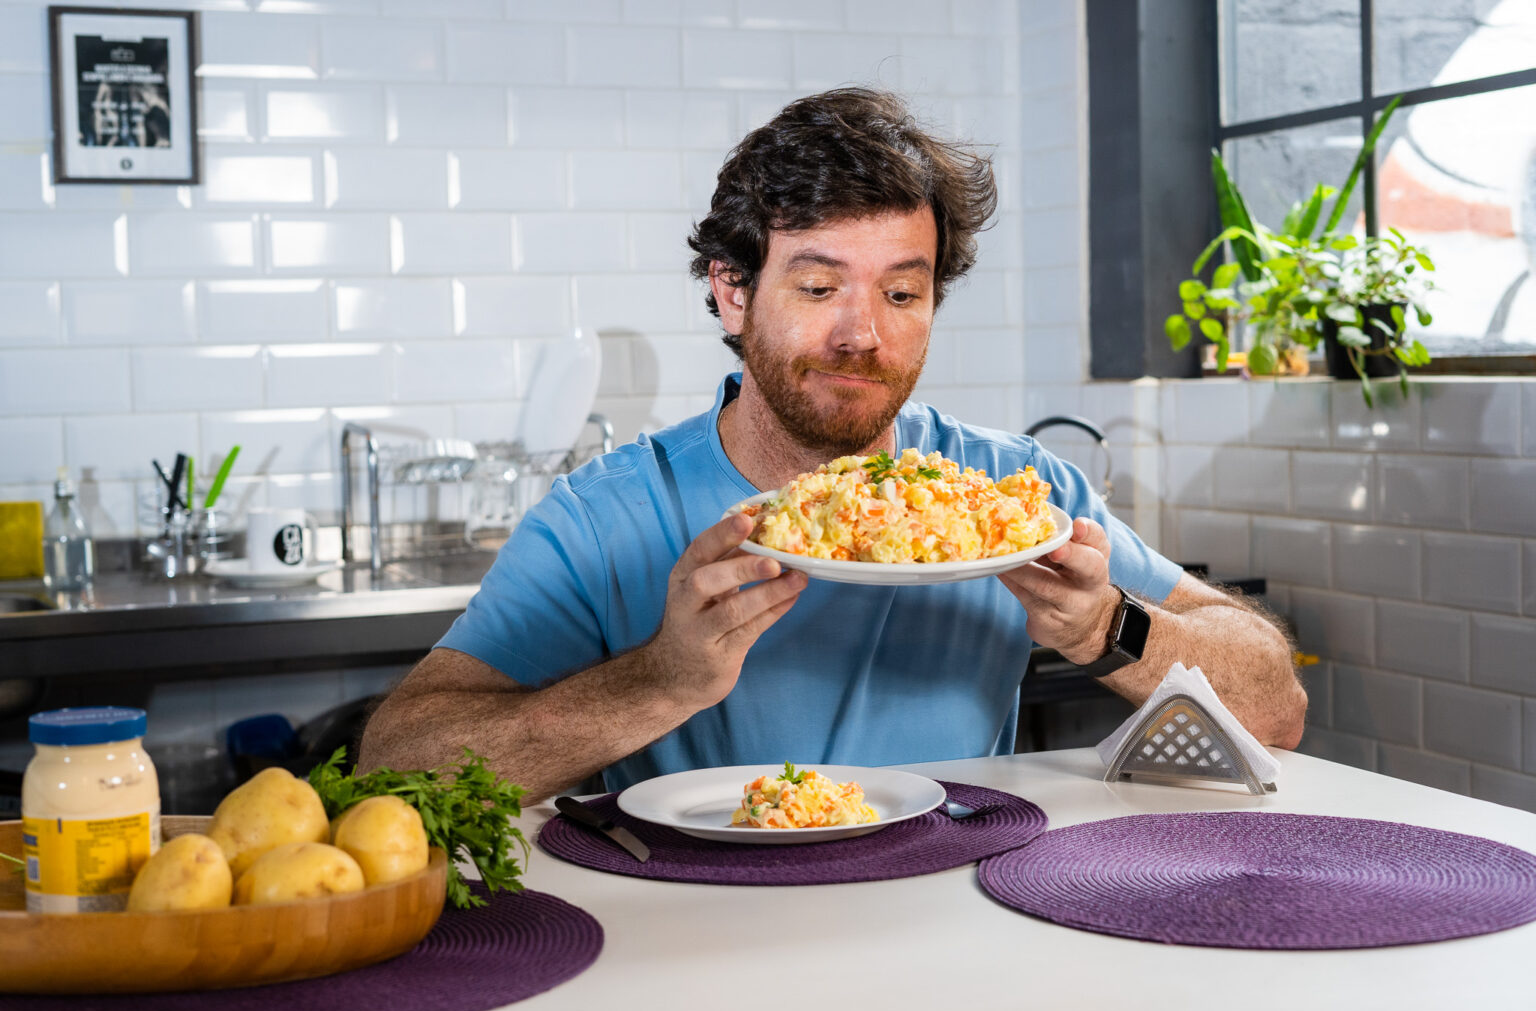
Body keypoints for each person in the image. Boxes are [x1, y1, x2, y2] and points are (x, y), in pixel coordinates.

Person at [359, 88, 1305, 800]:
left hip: (963, 920)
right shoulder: (605, 519)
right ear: (733, 294)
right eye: (819, 290)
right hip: (700, 942)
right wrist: (659, 680)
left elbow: (1274, 707)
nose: (864, 334)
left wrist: (1107, 629)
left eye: (902, 293)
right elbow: (397, 765)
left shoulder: (1010, 492)